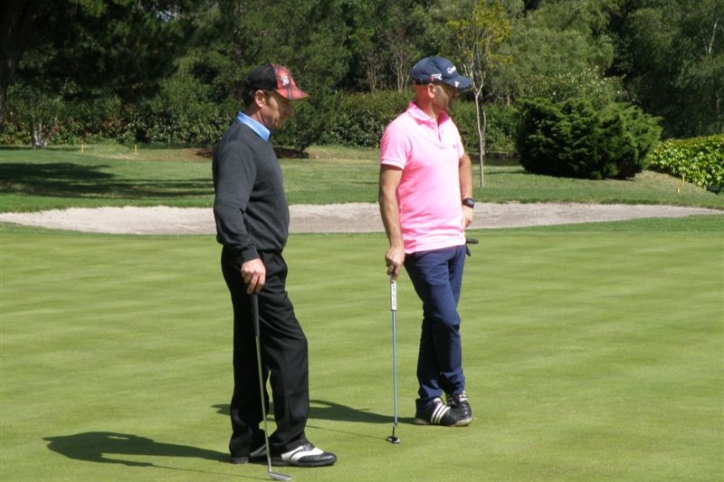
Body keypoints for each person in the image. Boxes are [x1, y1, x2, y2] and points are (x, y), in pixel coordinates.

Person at [212, 63, 337, 467]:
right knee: (289, 344)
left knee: (253, 352)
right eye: (283, 102)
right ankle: (290, 441)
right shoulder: (240, 144)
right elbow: (228, 207)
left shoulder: (254, 140)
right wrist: (249, 254)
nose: (289, 110)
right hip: (255, 261)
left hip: (257, 259)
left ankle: (247, 441)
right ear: (260, 98)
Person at [378, 56, 475, 427]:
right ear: (429, 88)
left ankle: (428, 402)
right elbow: (387, 193)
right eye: (449, 87)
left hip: (454, 241)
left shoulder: (447, 125)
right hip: (422, 245)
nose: (454, 93)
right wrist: (396, 243)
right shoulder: (400, 130)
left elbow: (463, 162)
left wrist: (467, 203)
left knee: (436, 321)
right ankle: (456, 390)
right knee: (447, 320)